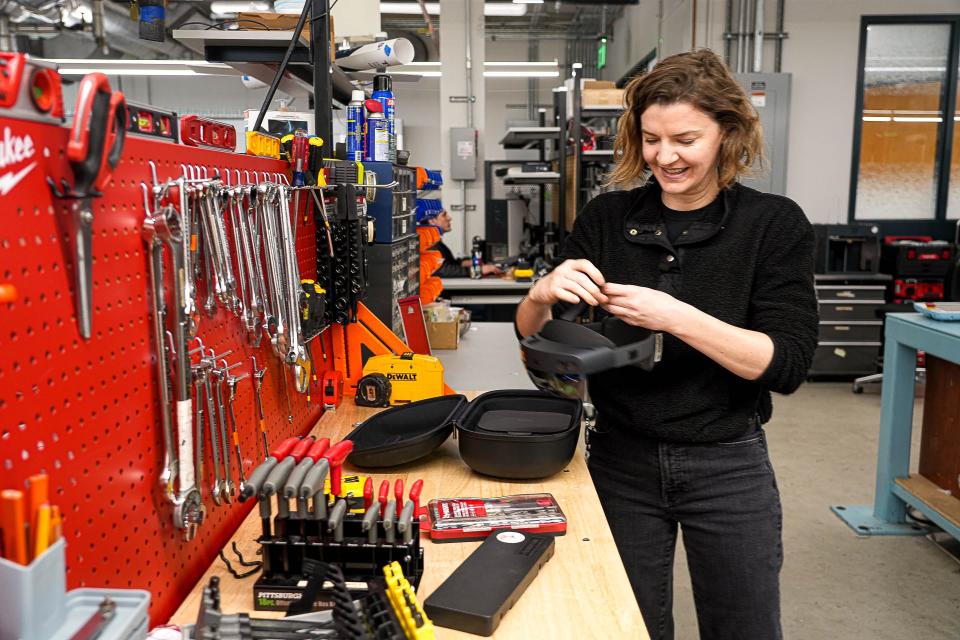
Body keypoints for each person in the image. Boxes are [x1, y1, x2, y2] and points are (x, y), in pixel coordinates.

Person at [515, 49, 818, 640]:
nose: (665, 156)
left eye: (685, 139)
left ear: (728, 134)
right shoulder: (608, 219)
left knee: (744, 626)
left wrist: (677, 316)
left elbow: (784, 363)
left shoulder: (773, 225)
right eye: (651, 139)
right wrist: (541, 295)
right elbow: (539, 347)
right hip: (619, 460)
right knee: (627, 624)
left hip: (728, 464)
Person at [429, 208, 502, 278]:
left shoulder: (435, 242)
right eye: (444, 215)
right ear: (432, 221)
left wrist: (463, 263)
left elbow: (447, 263)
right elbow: (441, 270)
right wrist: (477, 270)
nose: (449, 218)